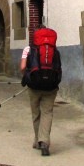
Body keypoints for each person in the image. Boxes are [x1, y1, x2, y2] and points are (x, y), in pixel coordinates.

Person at [20, 28, 61, 156]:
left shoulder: (27, 49)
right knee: (47, 113)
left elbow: (22, 67)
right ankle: (44, 142)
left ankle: (38, 141)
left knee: (36, 113)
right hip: (51, 87)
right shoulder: (55, 51)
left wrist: (26, 76)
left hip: (34, 86)